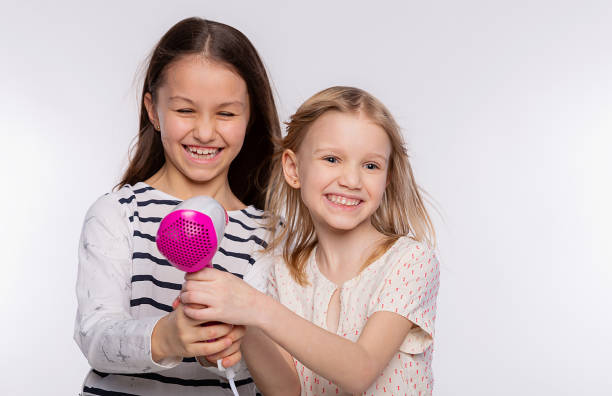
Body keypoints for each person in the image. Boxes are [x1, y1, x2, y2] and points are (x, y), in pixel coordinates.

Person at [179, 86, 441, 395]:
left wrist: (254, 306)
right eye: (332, 159)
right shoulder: (283, 273)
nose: (351, 180)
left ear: (388, 178)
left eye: (370, 166)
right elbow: (287, 390)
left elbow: (360, 370)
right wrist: (241, 323)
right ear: (293, 169)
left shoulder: (409, 262)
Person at [74, 17, 281, 396]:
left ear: (250, 117)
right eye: (185, 110)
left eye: (226, 113)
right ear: (154, 111)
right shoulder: (119, 214)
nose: (204, 132)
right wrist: (168, 335)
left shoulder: (271, 236)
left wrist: (226, 350)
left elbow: (282, 362)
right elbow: (95, 336)